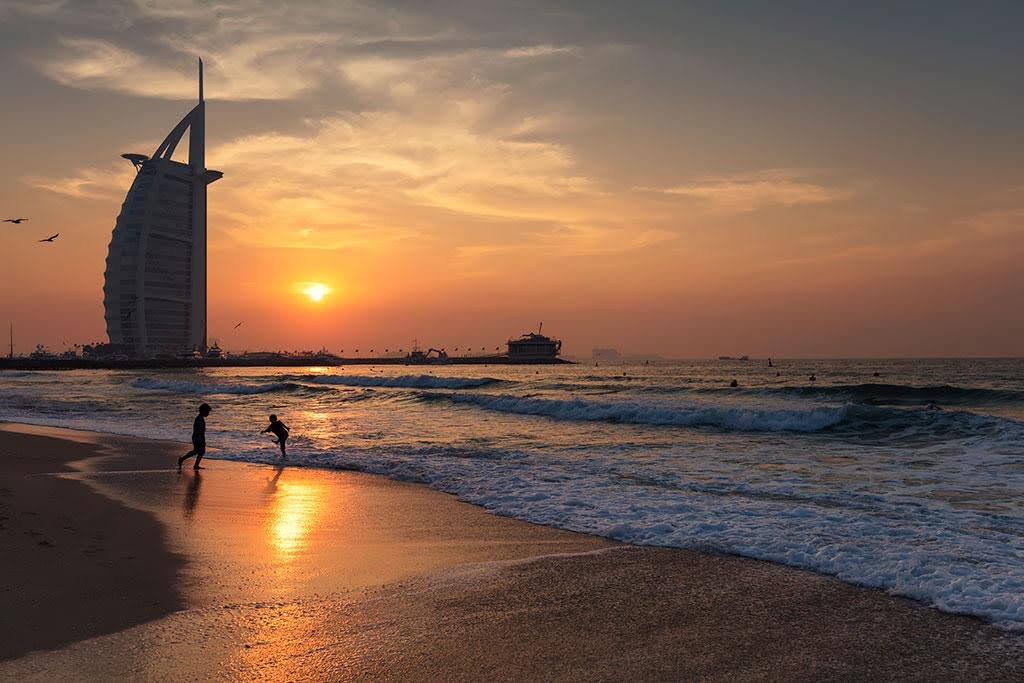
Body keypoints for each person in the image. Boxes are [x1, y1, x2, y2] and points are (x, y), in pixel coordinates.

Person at [178, 403, 212, 470]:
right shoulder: (200, 419)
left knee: (196, 451)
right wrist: (202, 439)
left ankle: (182, 459)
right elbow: (200, 431)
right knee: (201, 451)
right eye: (207, 411)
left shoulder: (199, 418)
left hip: (195, 437)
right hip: (198, 437)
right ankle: (195, 465)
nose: (208, 413)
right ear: (203, 411)